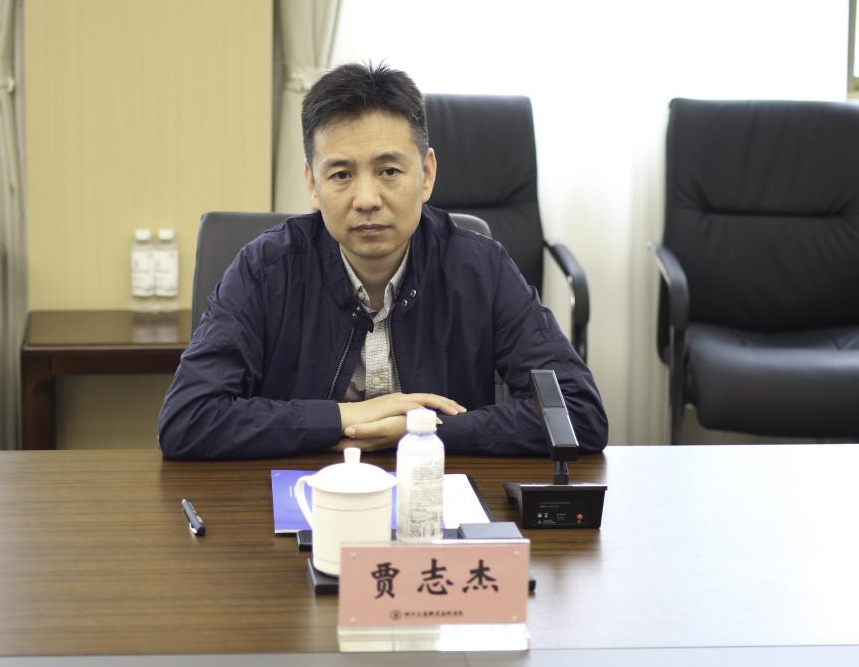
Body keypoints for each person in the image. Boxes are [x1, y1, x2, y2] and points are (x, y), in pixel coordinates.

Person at [158, 62, 607, 459]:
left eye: (389, 171)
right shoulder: (265, 269)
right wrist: (345, 417)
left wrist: (424, 430)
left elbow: (578, 412)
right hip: (301, 498)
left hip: (434, 499)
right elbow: (187, 419)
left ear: (426, 174)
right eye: (341, 174)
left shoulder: (480, 269)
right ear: (312, 184)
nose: (367, 199)